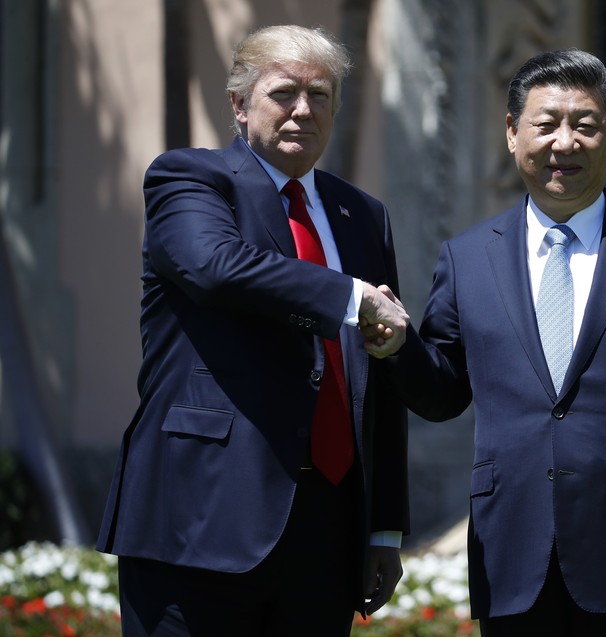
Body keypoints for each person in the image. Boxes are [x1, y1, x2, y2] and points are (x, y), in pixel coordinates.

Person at [370, 49, 606, 636]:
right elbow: (444, 391)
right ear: (514, 135)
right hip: (512, 555)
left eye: (585, 125)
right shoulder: (467, 257)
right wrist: (398, 347)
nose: (564, 142)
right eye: (546, 124)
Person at [97, 25, 410, 637]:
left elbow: (379, 378)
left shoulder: (363, 215)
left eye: (320, 95)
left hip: (326, 530)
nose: (302, 110)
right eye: (283, 93)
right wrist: (351, 296)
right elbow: (215, 267)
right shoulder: (190, 179)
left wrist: (382, 527)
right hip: (200, 515)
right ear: (239, 105)